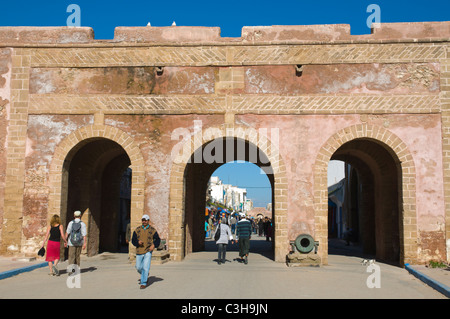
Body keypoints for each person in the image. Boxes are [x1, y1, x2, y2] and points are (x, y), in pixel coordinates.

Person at [131, 214, 161, 289]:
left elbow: (158, 239)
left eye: (145, 220)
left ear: (148, 221)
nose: (144, 222)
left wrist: (153, 245)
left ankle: (143, 282)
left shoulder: (152, 230)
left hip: (148, 251)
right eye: (143, 220)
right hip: (139, 251)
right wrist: (137, 242)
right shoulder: (137, 230)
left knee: (145, 267)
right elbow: (133, 240)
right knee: (138, 267)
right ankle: (145, 274)